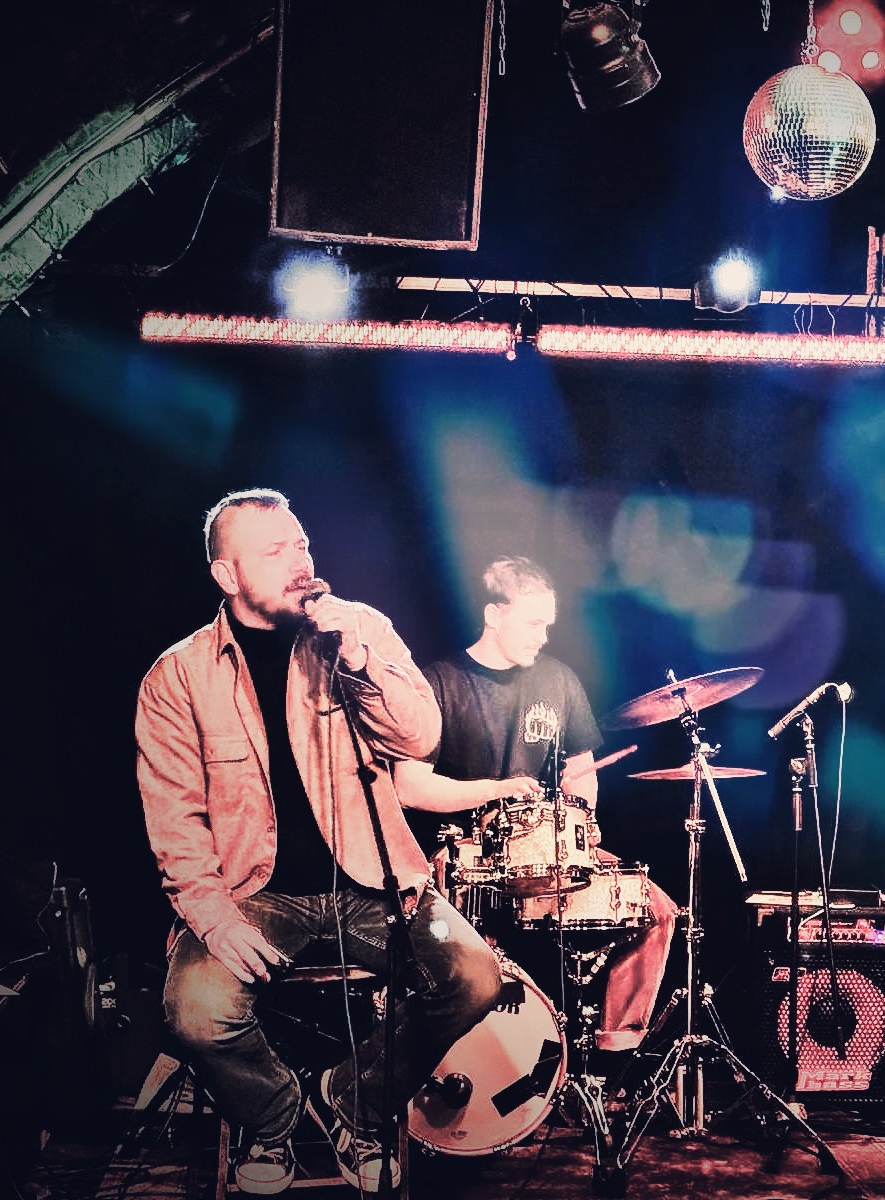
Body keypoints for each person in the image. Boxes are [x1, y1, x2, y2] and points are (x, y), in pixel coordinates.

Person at [136, 490, 502, 1195]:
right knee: (196, 1013)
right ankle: (272, 1118)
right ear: (227, 575)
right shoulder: (177, 676)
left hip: (375, 884)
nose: (299, 561)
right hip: (253, 895)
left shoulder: (359, 628)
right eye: (274, 551)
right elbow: (174, 819)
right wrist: (213, 918)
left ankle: (351, 1101)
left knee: (475, 978)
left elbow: (419, 736)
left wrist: (360, 660)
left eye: (301, 544)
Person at [396, 555, 677, 1057]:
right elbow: (409, 786)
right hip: (465, 858)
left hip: (549, 850)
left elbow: (581, 770)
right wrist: (495, 790)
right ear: (494, 614)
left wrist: (582, 815)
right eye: (532, 623)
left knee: (657, 911)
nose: (543, 636)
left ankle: (614, 1053)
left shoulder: (558, 680)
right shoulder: (437, 682)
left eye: (548, 624)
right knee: (461, 958)